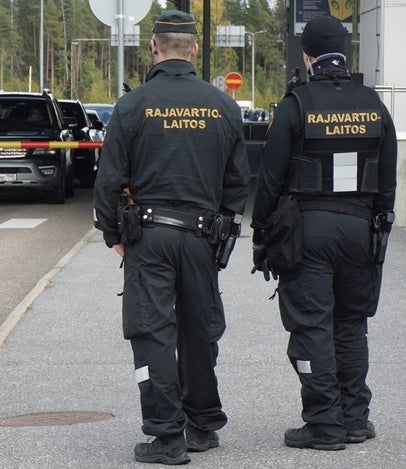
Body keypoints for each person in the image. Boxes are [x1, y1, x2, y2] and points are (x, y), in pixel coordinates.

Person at [93, 10, 250, 465]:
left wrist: (111, 232)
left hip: (149, 236)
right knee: (200, 330)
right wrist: (222, 230)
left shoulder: (133, 105)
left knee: (153, 332)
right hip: (202, 237)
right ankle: (202, 425)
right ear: (195, 51)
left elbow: (108, 181)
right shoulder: (222, 106)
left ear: (154, 47)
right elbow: (238, 183)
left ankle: (166, 436)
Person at [250, 15, 397, 451]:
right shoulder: (375, 105)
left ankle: (323, 424)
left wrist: (261, 235)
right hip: (360, 229)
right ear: (346, 53)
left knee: (312, 325)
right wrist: (378, 226)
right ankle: (354, 419)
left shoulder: (296, 105)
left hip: (307, 232)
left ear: (307, 56)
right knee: (351, 323)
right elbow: (388, 180)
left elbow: (270, 179)